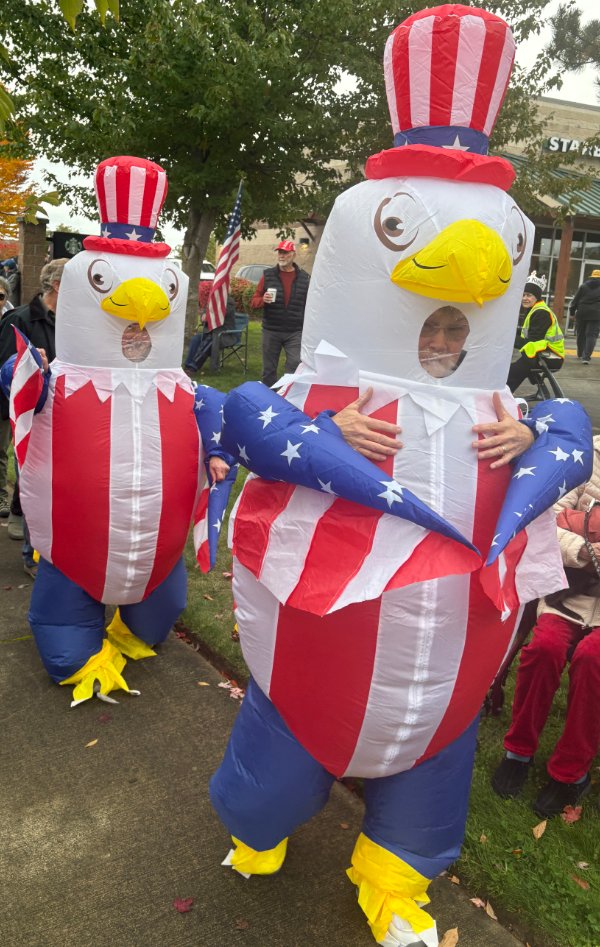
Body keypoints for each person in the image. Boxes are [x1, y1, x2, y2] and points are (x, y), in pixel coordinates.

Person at [491, 434, 600, 817]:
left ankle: (571, 772)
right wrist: (583, 548)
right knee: (544, 648)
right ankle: (517, 752)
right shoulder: (592, 454)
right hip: (571, 590)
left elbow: (571, 520)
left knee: (593, 660)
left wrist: (582, 523)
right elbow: (547, 520)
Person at [0, 258, 67, 575]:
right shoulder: (19, 319)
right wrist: (30, 366)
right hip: (31, 415)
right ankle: (33, 556)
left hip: (63, 415)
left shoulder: (74, 322)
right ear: (58, 285)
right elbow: (6, 371)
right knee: (36, 481)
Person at [250, 240, 310, 387]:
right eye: (280, 252)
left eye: (285, 253)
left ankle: (286, 393)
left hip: (295, 331)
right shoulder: (268, 275)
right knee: (269, 369)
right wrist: (263, 300)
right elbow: (254, 301)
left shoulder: (304, 278)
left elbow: (310, 304)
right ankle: (269, 395)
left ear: (293, 254)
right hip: (272, 330)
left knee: (295, 364)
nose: (281, 256)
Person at [507, 272, 564, 394]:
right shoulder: (534, 309)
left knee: (515, 369)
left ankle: (504, 393)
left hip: (551, 356)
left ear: (536, 297)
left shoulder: (541, 313)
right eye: (523, 295)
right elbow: (528, 333)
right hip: (544, 353)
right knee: (519, 364)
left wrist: (508, 338)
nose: (524, 298)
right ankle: (506, 392)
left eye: (529, 295)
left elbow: (533, 341)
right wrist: (508, 331)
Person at [184, 293, 236, 373]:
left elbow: (220, 315)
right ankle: (187, 365)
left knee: (210, 341)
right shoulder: (211, 300)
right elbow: (204, 313)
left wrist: (208, 316)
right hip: (209, 332)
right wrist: (203, 316)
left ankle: (192, 367)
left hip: (224, 334)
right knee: (196, 339)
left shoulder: (229, 302)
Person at [0, 276, 13, 517]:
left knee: (1, 451)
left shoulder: (12, 322)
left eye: (0, 296)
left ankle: (1, 496)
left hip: (2, 397)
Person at [570, 269, 600, 364]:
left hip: (582, 312)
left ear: (591, 277)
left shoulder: (583, 286)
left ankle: (580, 353)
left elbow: (575, 300)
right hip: (596, 314)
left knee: (581, 334)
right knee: (591, 335)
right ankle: (586, 357)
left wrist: (572, 313)